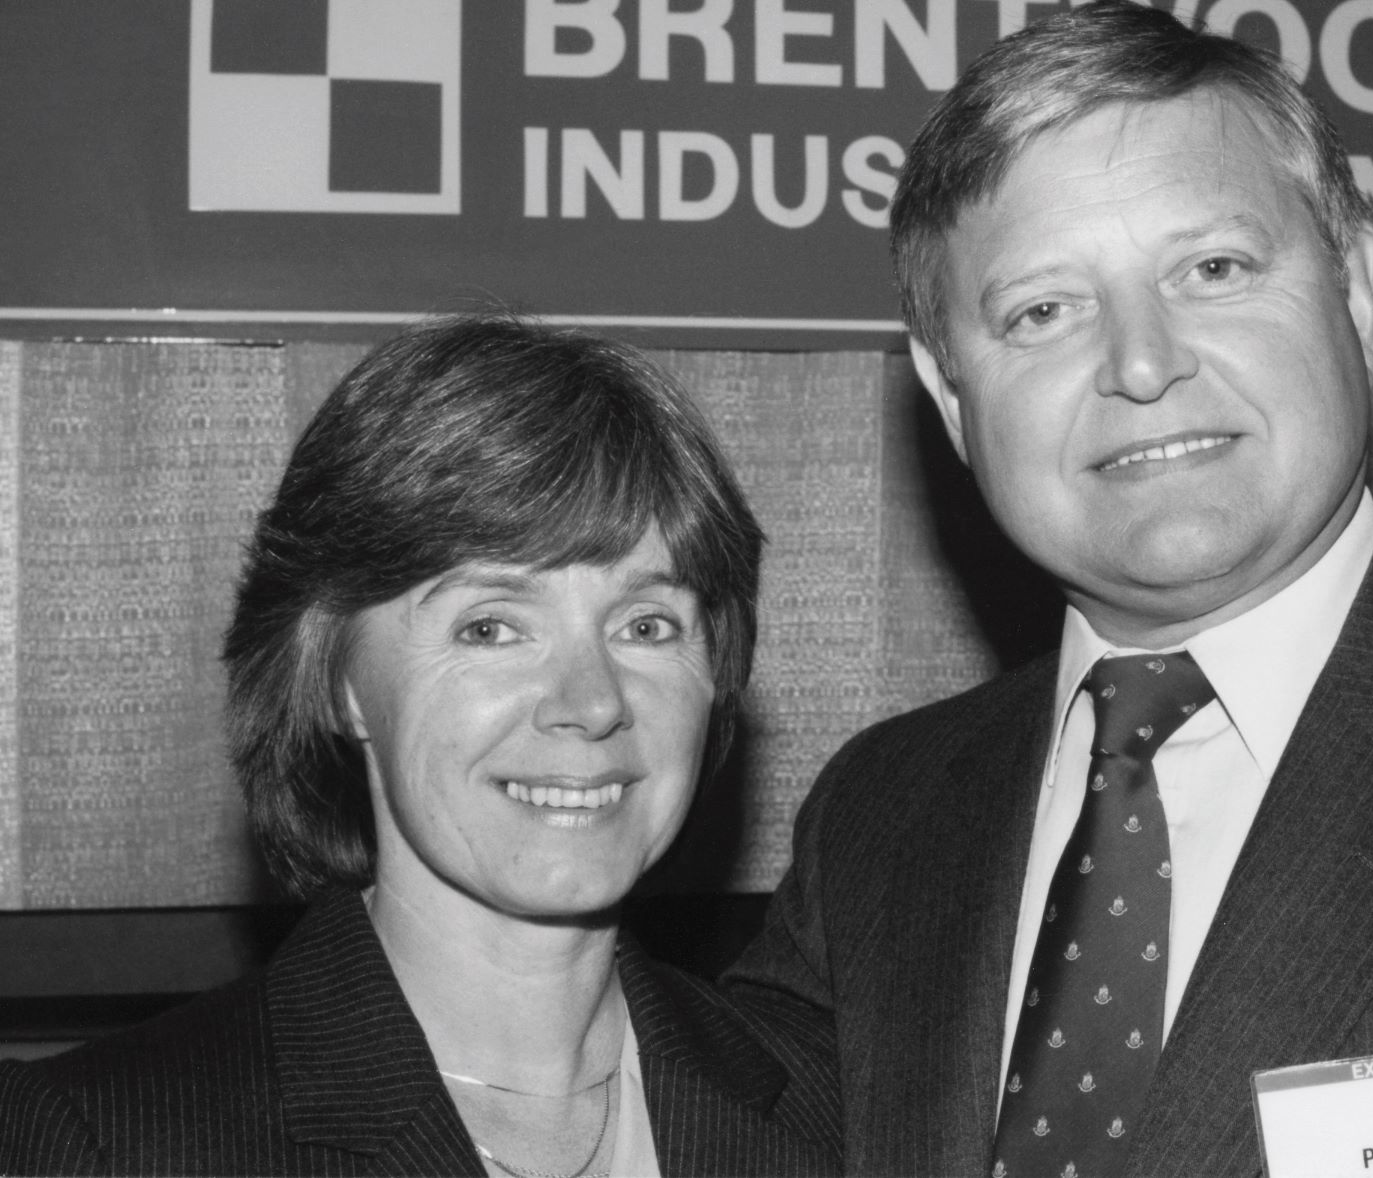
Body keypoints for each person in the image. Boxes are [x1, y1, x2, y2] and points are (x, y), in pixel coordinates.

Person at [724, 3, 1373, 1175]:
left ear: (1359, 294)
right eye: (1043, 311)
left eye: (1213, 267)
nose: (1140, 361)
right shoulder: (881, 817)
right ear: (952, 394)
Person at [0, 315, 839, 1177]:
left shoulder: (838, 1115)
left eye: (646, 624)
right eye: (491, 626)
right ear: (335, 679)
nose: (591, 704)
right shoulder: (102, 1142)